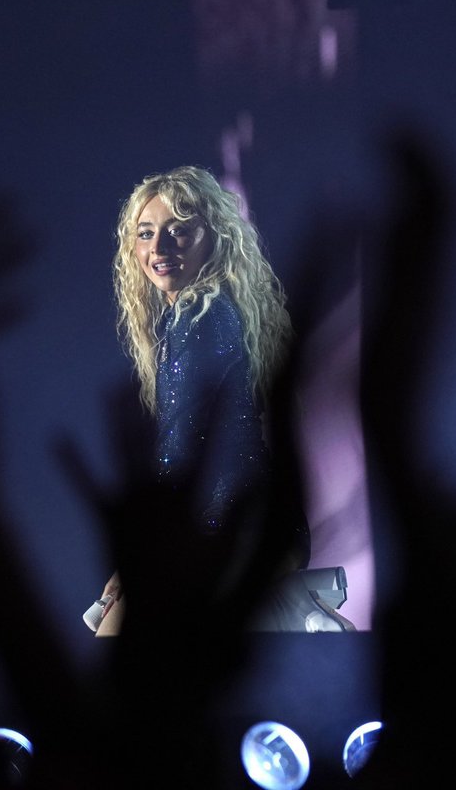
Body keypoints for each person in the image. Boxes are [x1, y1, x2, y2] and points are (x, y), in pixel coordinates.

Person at [94, 166, 309, 635]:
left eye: (179, 231)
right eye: (146, 234)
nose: (159, 248)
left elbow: (181, 449)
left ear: (214, 237)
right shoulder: (202, 315)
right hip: (242, 525)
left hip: (230, 530)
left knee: (116, 642)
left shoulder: (201, 315)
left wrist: (144, 551)